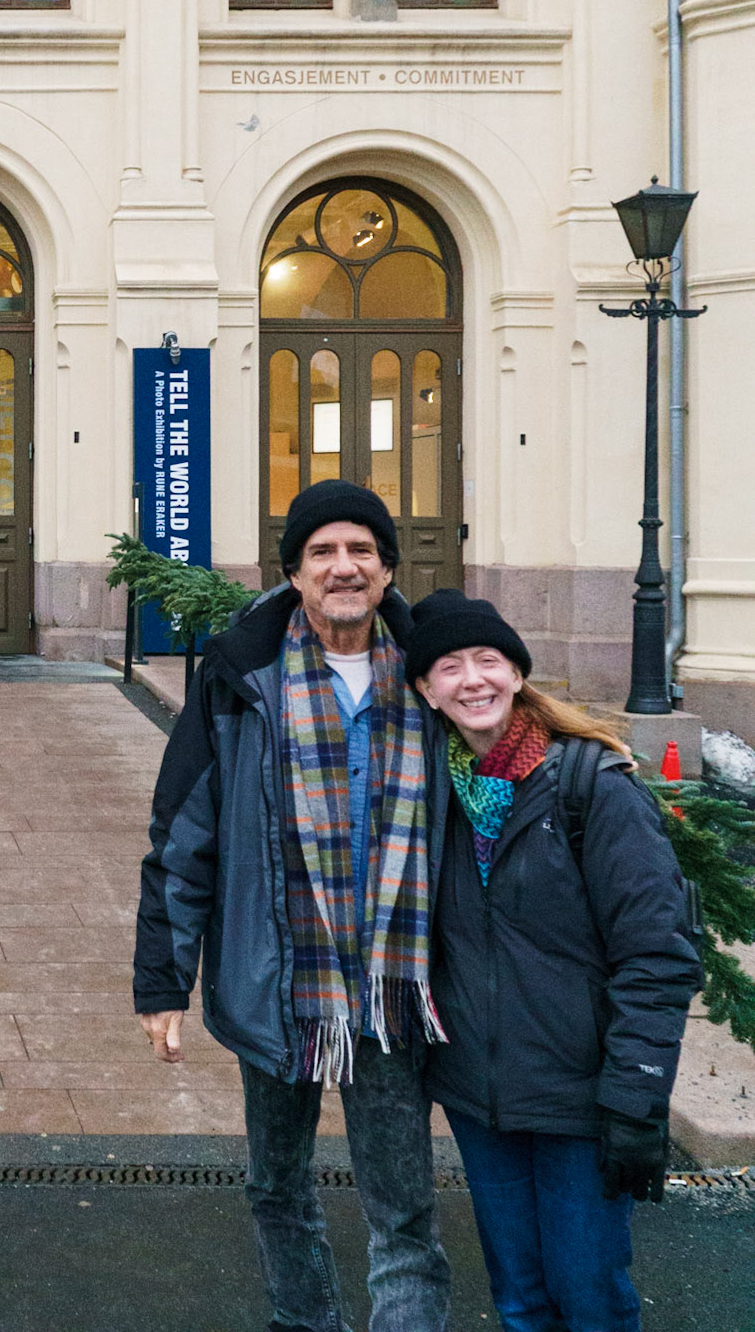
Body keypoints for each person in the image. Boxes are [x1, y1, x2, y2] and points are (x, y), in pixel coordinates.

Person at [134, 479, 450, 1332]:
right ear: (294, 573)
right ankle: (305, 1320)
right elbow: (182, 835)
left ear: (386, 570)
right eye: (322, 552)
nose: (342, 568)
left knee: (404, 1206)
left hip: (392, 988)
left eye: (360, 551)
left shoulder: (436, 680)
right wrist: (162, 979)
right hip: (277, 979)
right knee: (277, 1185)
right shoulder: (242, 679)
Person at [404, 588, 703, 1332]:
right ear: (424, 689)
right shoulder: (427, 794)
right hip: (480, 1096)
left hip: (580, 1095)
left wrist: (635, 1092)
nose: (470, 679)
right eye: (448, 666)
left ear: (515, 672)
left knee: (589, 1299)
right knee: (520, 1301)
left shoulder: (588, 786)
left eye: (487, 660)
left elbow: (656, 951)